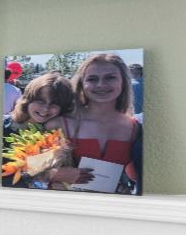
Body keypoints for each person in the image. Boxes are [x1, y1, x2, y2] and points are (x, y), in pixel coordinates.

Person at [59, 53, 142, 194]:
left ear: (123, 81)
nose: (101, 85)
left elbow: (135, 176)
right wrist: (57, 173)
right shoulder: (60, 123)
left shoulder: (135, 128)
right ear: (82, 84)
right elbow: (28, 168)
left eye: (110, 77)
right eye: (92, 79)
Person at [2, 71, 77, 189]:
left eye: (55, 103)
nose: (46, 108)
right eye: (40, 100)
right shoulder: (3, 128)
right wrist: (50, 174)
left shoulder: (59, 135)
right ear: (27, 99)